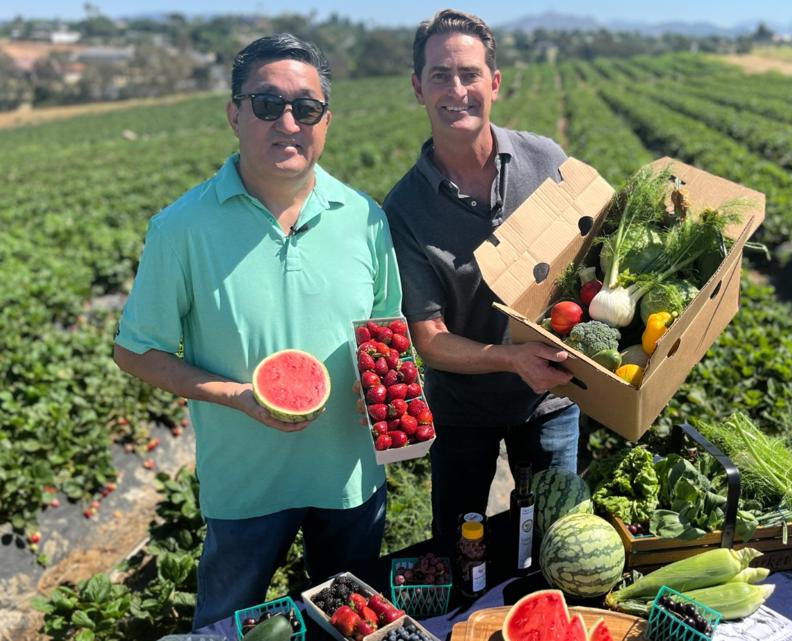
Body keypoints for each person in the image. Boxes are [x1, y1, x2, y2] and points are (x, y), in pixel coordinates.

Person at [111, 34, 402, 630]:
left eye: (307, 108)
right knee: (225, 626)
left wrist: (384, 383)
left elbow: (387, 330)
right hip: (244, 486)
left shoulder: (365, 218)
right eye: (267, 105)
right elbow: (137, 350)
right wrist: (239, 395)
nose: (287, 123)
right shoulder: (180, 229)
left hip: (349, 480)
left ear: (326, 120)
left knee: (349, 625)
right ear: (234, 114)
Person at [382, 9, 580, 554]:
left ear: (494, 82)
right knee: (459, 551)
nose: (457, 90)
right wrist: (512, 359)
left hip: (550, 399)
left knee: (557, 544)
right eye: (440, 76)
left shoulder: (545, 161)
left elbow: (589, 263)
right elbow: (429, 338)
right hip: (462, 410)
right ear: (418, 87)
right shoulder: (405, 209)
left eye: (469, 74)